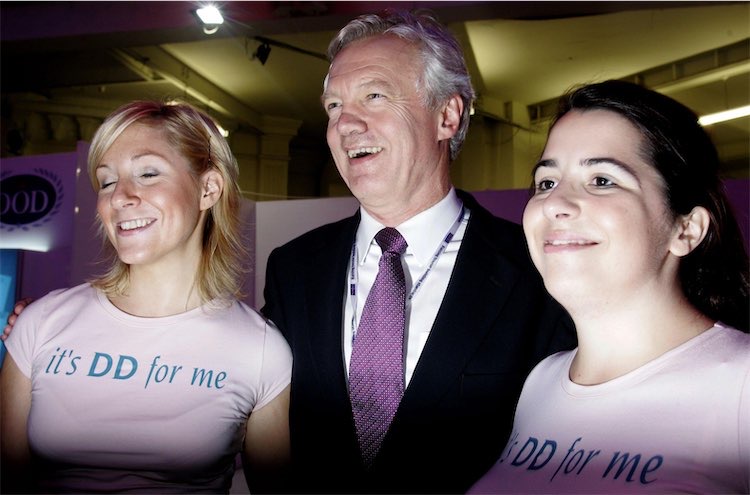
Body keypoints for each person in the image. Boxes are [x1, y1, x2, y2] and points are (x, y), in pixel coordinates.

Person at [260, 10, 576, 494]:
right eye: (333, 107)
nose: (346, 124)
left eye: (374, 95)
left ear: (447, 116)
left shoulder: (539, 271)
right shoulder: (293, 268)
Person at [468, 80, 750, 494]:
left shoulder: (741, 383)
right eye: (546, 183)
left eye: (602, 180)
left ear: (686, 229)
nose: (554, 203)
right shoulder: (541, 382)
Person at [0, 100, 292, 494]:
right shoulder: (41, 323)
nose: (119, 197)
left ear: (208, 188)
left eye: (148, 173)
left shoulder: (260, 349)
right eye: (106, 181)